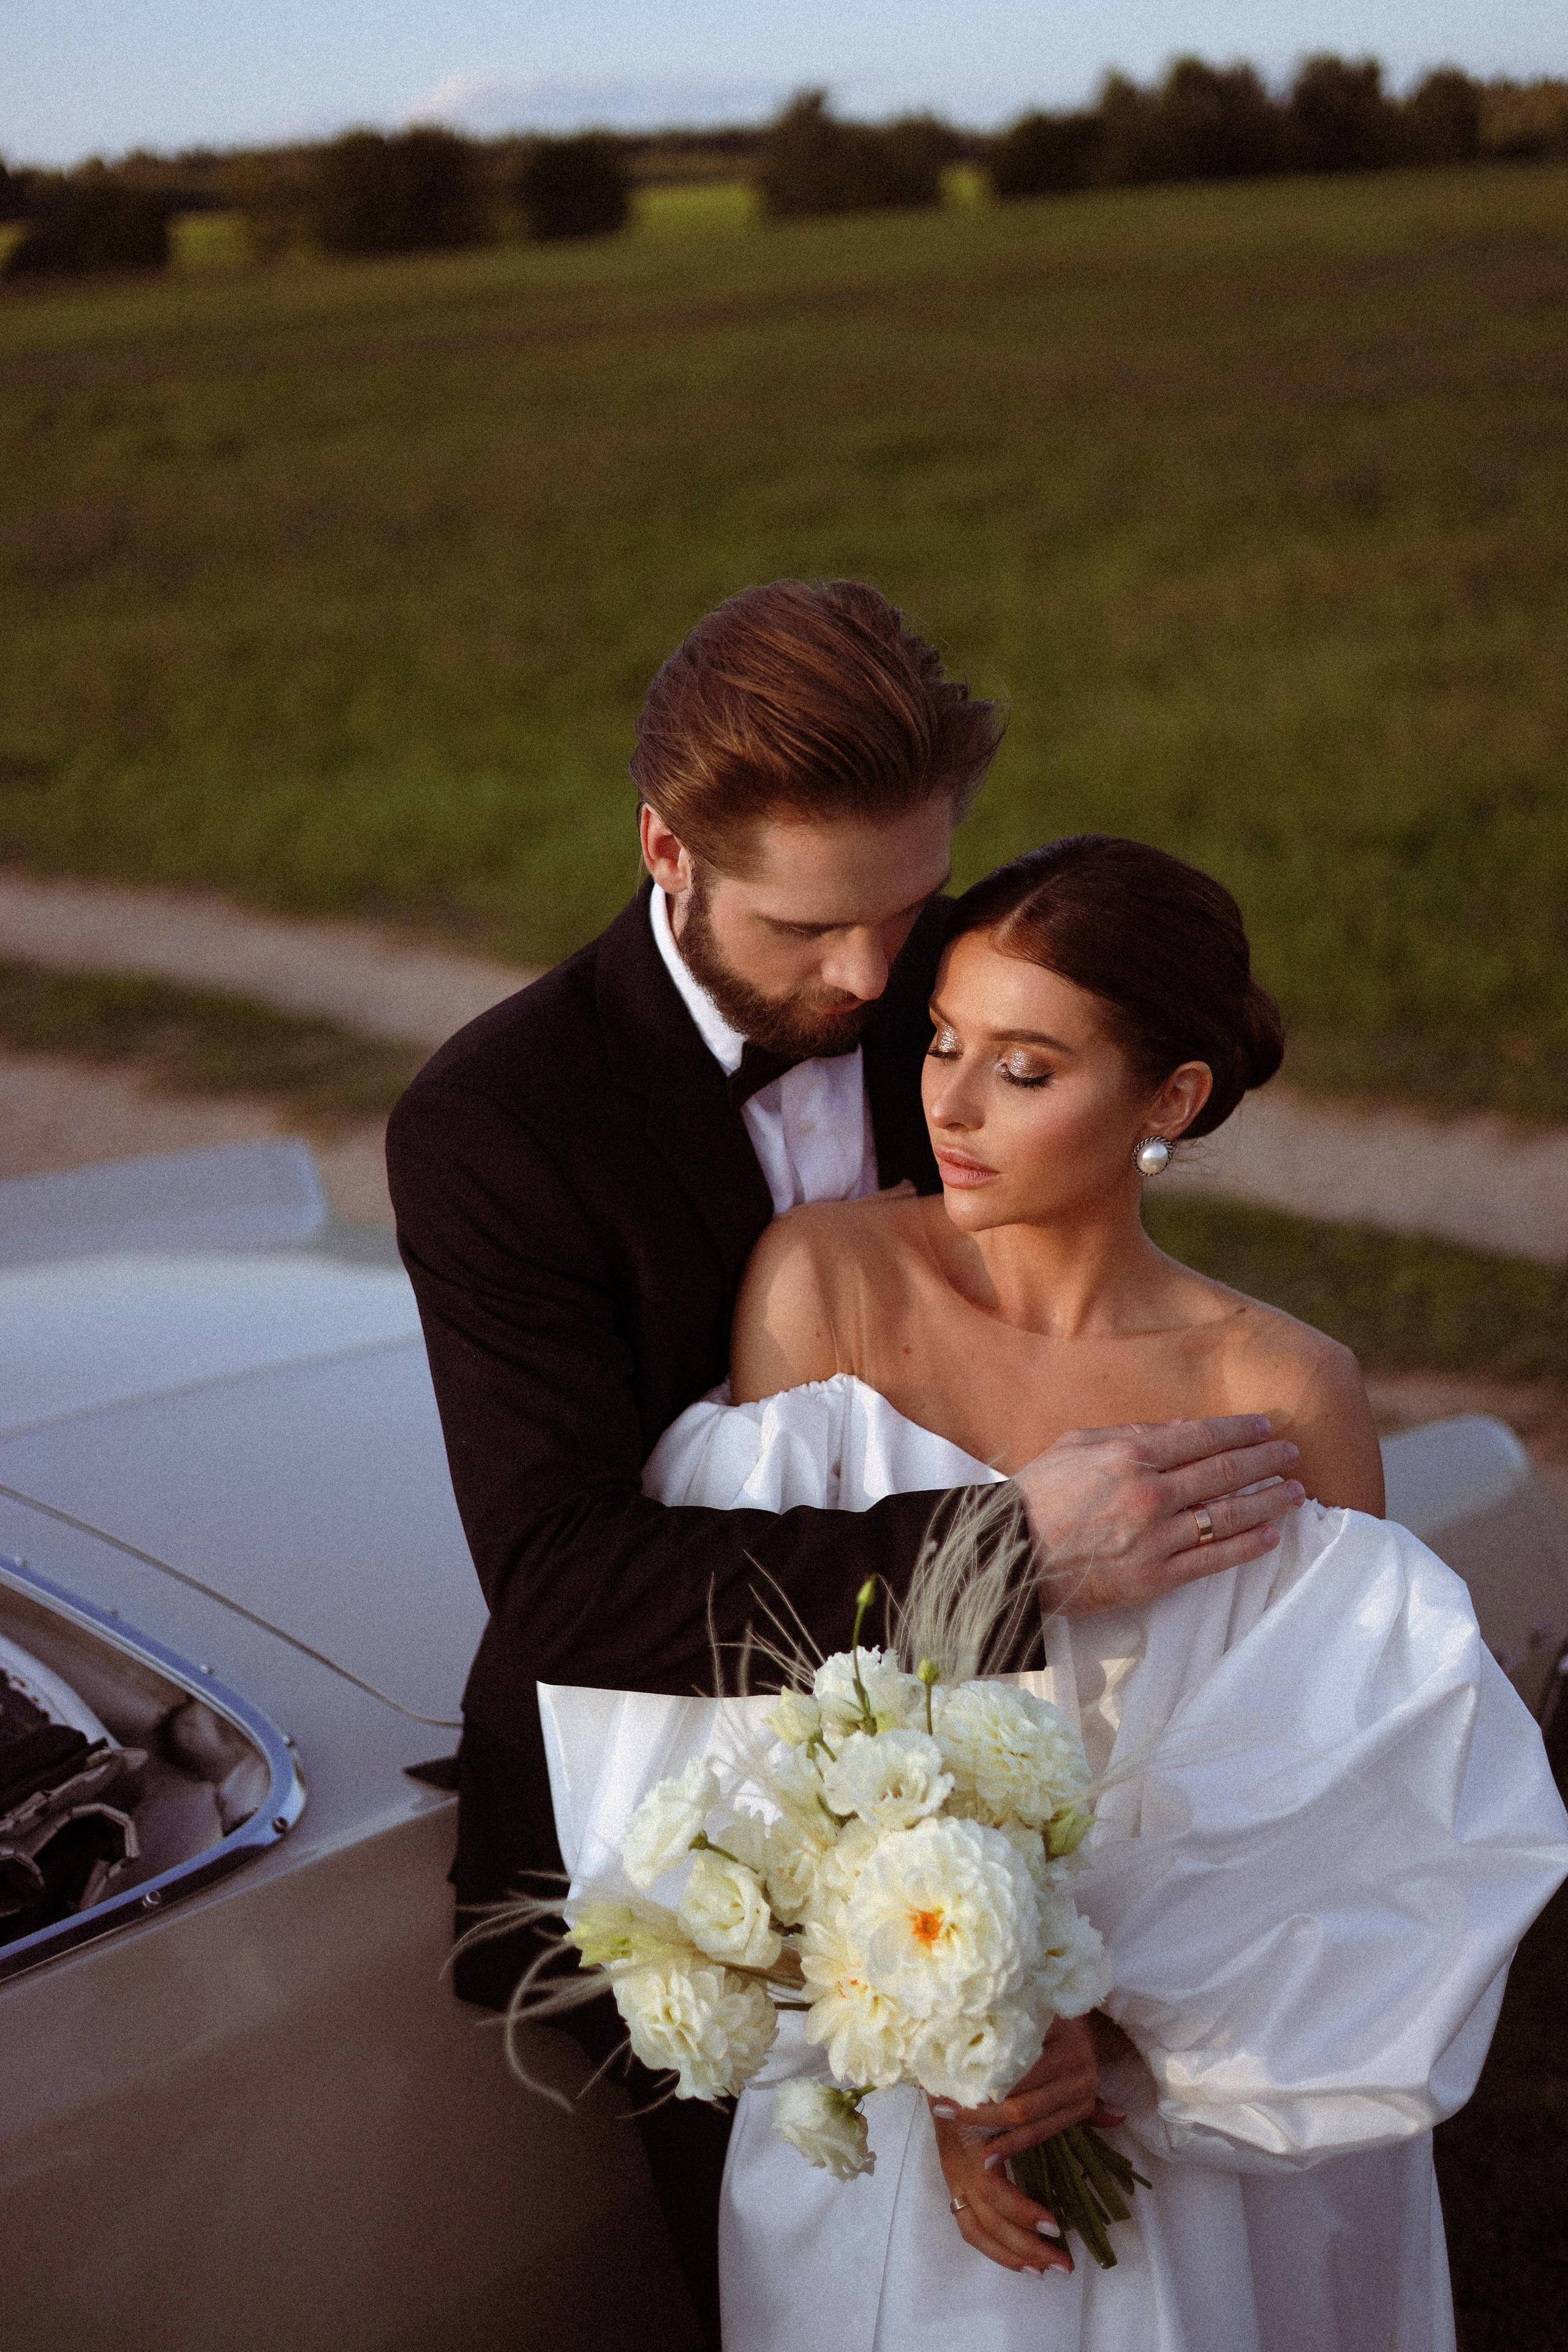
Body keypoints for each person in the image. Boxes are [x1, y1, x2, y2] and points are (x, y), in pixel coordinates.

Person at [385, 582, 1305, 2347]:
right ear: (668, 848)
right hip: (689, 1823)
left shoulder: (952, 982)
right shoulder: (498, 1125)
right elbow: (566, 1575)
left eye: (910, 905)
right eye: (816, 928)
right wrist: (1003, 1553)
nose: (881, 981)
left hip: (1048, 1793)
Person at [540, 832, 1568, 2351]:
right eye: (942, 1043)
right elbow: (747, 1717)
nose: (946, 1105)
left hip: (1186, 2095)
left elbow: (1343, 1803)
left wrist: (1090, 2035)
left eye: (1024, 1070)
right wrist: (938, 2033)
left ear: (1170, 1102)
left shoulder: (1276, 1391)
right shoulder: (824, 1286)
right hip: (878, 2078)